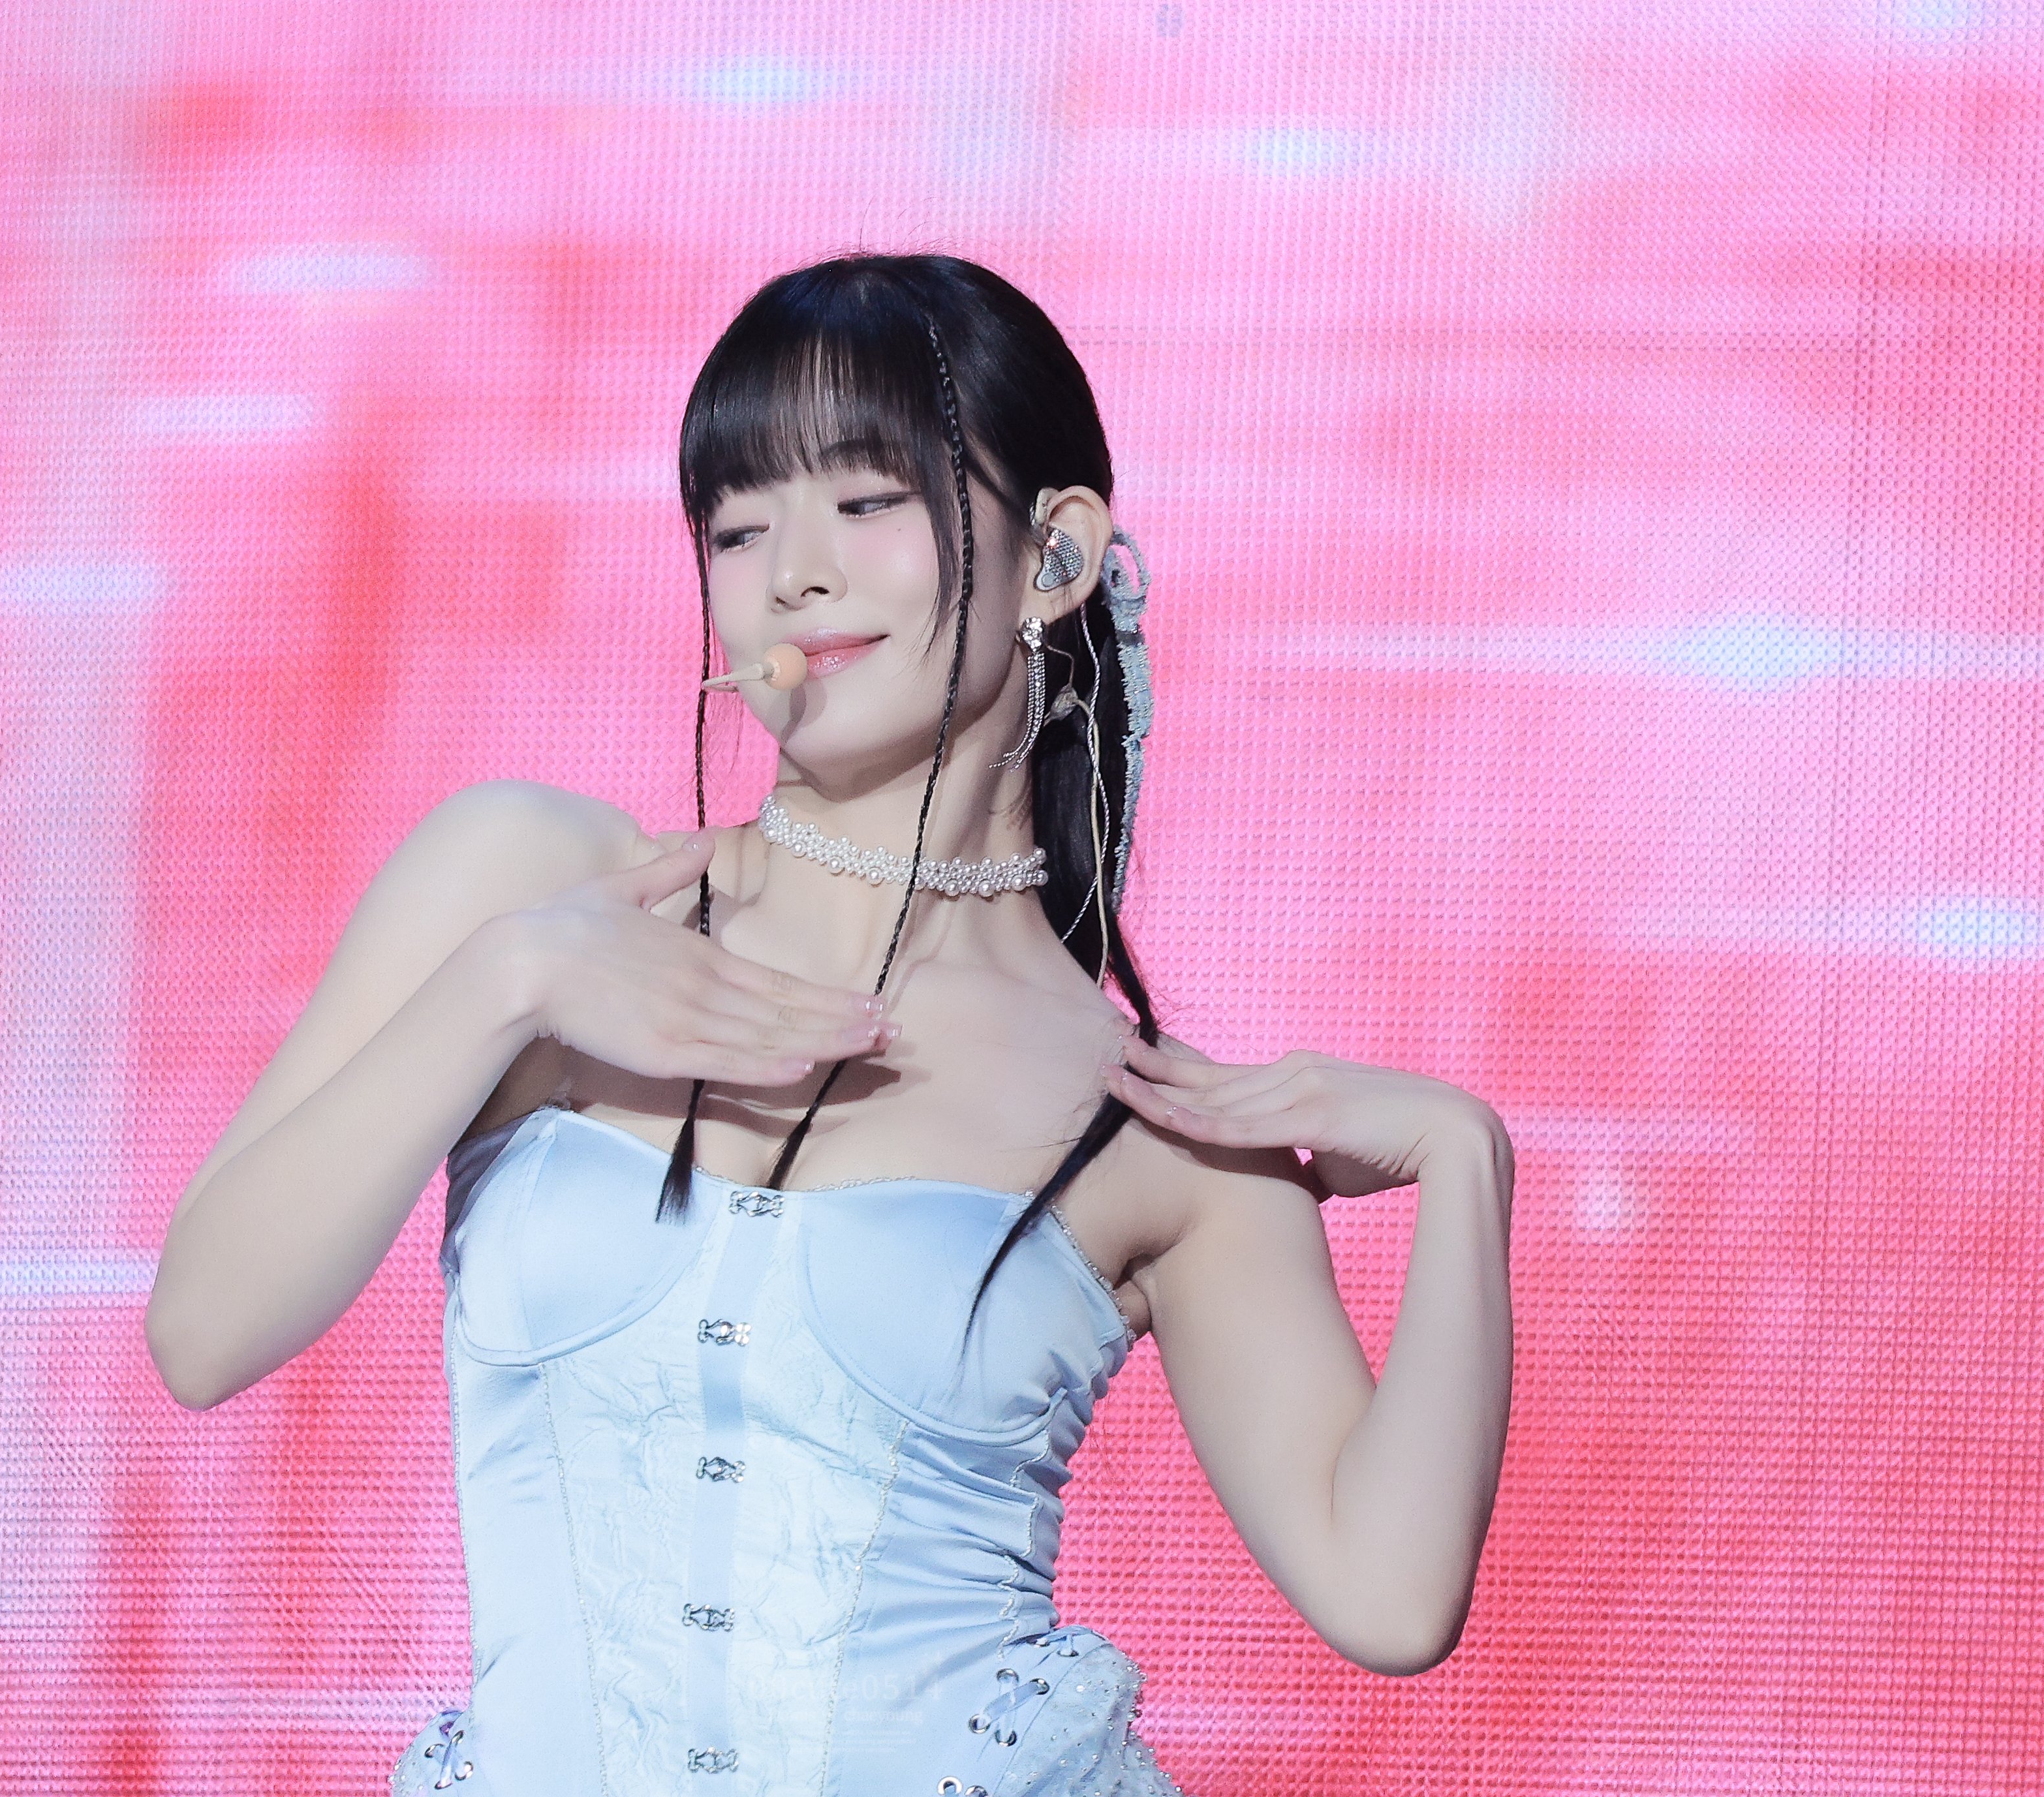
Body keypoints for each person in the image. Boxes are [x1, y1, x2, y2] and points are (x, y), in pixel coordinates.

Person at [145, 253, 1516, 1796]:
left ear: (1057, 554)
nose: (792, 572)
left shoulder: (1148, 1116)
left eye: (867, 501)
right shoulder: (536, 886)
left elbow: (1391, 1598)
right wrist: (510, 983)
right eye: (739, 526)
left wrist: (1465, 1158)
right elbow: (204, 1333)